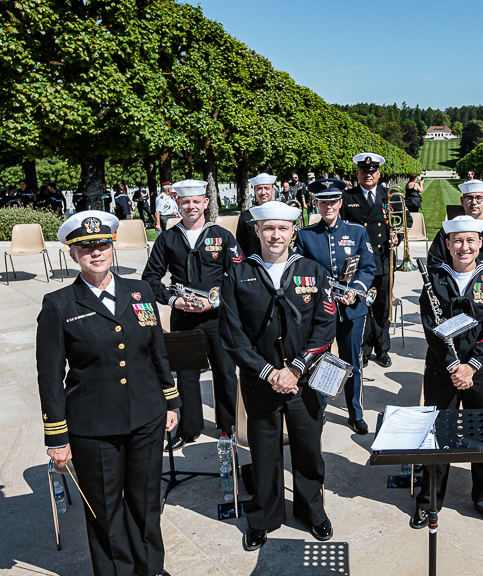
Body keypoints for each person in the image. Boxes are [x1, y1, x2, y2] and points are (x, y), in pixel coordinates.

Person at [36, 210, 180, 576]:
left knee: (146, 495)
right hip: (93, 423)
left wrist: (170, 400)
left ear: (112, 248)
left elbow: (156, 349)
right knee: (104, 503)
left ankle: (149, 563)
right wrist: (57, 436)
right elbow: (50, 375)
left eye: (102, 245)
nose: (95, 253)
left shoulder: (140, 291)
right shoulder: (59, 304)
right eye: (86, 248)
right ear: (73, 255)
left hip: (146, 413)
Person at [219, 201, 337, 551]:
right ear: (256, 230)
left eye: (282, 229)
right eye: (268, 228)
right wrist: (269, 372)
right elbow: (233, 335)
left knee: (308, 450)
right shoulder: (238, 274)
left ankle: (312, 510)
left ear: (292, 232)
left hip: (305, 381)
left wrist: (297, 368)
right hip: (260, 382)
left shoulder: (313, 271)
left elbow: (325, 325)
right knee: (264, 453)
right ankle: (263, 518)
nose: (275, 235)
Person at [411, 216, 483, 530]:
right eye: (457, 241)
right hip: (443, 371)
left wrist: (471, 366)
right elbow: (431, 328)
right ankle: (428, 500)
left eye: (470, 241)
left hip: (482, 372)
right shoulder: (435, 278)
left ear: (480, 243)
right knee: (439, 436)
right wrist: (454, 366)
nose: (464, 247)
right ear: (448, 244)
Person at [142, 179, 241, 449]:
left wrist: (215, 301)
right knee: (186, 376)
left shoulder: (222, 235)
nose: (191, 206)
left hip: (217, 317)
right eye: (185, 202)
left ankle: (230, 426)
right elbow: (150, 279)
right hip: (184, 318)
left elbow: (239, 275)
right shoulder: (167, 238)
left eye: (196, 201)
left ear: (206, 203)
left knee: (225, 373)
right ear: (177, 203)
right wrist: (174, 301)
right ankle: (188, 429)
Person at [294, 178, 376, 434]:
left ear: (340, 203)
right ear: (316, 204)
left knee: (352, 362)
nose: (328, 207)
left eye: (333, 202)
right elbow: (299, 273)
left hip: (352, 309)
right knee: (319, 360)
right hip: (319, 311)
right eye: (323, 202)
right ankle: (319, 409)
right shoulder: (305, 236)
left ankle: (355, 413)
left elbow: (368, 267)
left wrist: (355, 291)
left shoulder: (357, 231)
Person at [342, 152, 400, 368]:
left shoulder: (390, 195)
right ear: (358, 173)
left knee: (382, 308)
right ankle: (364, 350)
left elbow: (405, 220)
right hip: (359, 262)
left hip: (384, 260)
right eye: (364, 171)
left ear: (379, 173)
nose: (368, 174)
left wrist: (397, 236)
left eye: (372, 171)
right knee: (361, 307)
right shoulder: (348, 197)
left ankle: (382, 350)